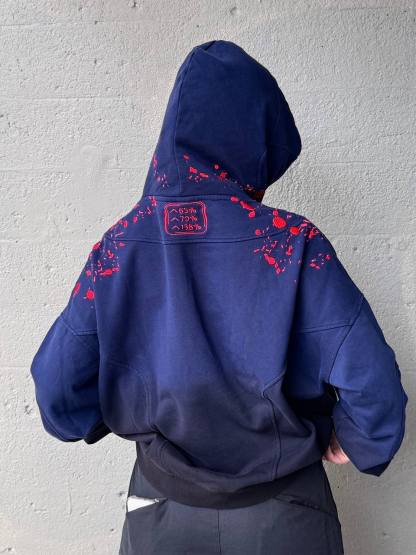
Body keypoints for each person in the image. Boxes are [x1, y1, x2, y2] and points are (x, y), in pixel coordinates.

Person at [30, 40, 408, 555]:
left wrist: (110, 414)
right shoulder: (295, 245)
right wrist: (355, 440)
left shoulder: (119, 247)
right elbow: (374, 388)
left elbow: (57, 391)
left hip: (160, 514)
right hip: (286, 515)